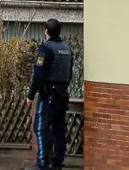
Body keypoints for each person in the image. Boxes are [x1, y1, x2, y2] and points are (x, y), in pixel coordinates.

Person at [27, 18, 75, 170]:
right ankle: (57, 164)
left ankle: (42, 164)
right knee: (59, 129)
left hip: (48, 96)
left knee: (41, 128)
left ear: (46, 30)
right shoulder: (67, 49)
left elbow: (38, 75)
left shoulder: (46, 49)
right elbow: (70, 74)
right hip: (62, 95)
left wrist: (30, 95)